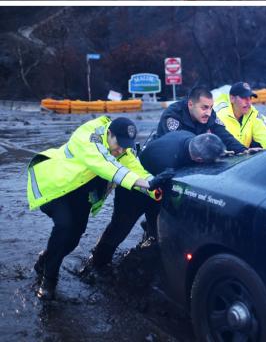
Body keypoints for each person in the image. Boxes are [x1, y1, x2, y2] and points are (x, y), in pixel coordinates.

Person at [26, 115, 162, 300]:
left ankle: (45, 260)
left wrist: (154, 186)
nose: (121, 149)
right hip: (57, 188)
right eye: (119, 143)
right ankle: (49, 281)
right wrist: (143, 183)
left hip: (81, 194)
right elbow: (107, 166)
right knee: (64, 226)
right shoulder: (88, 136)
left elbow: (136, 170)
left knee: (74, 238)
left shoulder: (122, 150)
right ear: (109, 133)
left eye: (125, 145)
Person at [84, 132, 225, 275]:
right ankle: (97, 265)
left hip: (157, 184)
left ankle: (148, 251)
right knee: (119, 229)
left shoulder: (188, 136)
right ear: (199, 160)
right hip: (134, 191)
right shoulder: (165, 161)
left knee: (157, 230)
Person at [152, 85, 246, 153]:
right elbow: (177, 146)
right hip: (163, 155)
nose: (209, 113)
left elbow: (224, 134)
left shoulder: (209, 113)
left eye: (210, 107)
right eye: (204, 107)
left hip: (193, 155)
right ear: (190, 104)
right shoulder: (173, 115)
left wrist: (243, 150)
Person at [214, 82, 266, 150]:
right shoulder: (217, 113)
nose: (248, 102)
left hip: (243, 156)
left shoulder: (253, 114)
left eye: (250, 97)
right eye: (244, 97)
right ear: (232, 98)